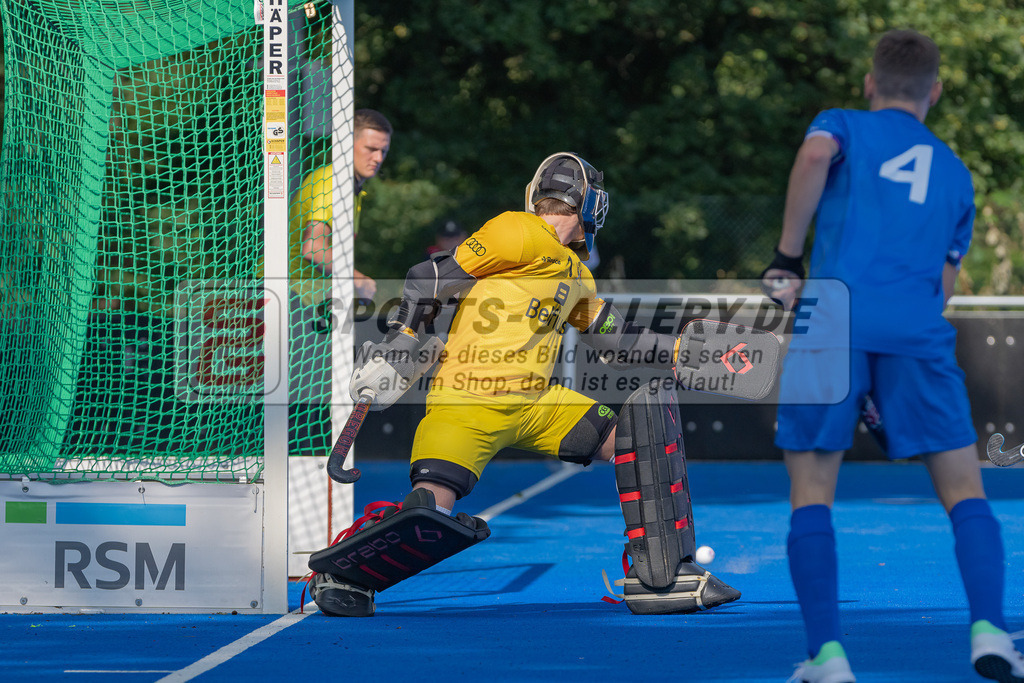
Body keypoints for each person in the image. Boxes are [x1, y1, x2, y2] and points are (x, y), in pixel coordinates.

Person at [308, 152, 743, 617]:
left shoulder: (578, 273)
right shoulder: (516, 230)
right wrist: (401, 341)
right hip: (467, 402)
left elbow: (615, 340)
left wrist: (682, 352)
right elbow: (428, 277)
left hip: (538, 404)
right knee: (427, 515)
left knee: (641, 439)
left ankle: (659, 575)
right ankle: (343, 573)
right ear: (590, 204)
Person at [761, 30, 1024, 683]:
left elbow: (813, 156)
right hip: (916, 333)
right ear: (935, 91)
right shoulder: (956, 173)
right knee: (965, 491)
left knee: (811, 494)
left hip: (833, 321)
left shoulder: (841, 123)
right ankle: (990, 631)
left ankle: (828, 657)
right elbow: (943, 285)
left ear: (870, 83)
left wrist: (787, 255)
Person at [289, 108, 392, 306]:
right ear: (347, 143)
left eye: (384, 151)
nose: (379, 158)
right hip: (290, 296)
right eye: (371, 149)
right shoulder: (331, 182)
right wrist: (358, 279)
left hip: (308, 299)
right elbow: (314, 248)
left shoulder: (351, 188)